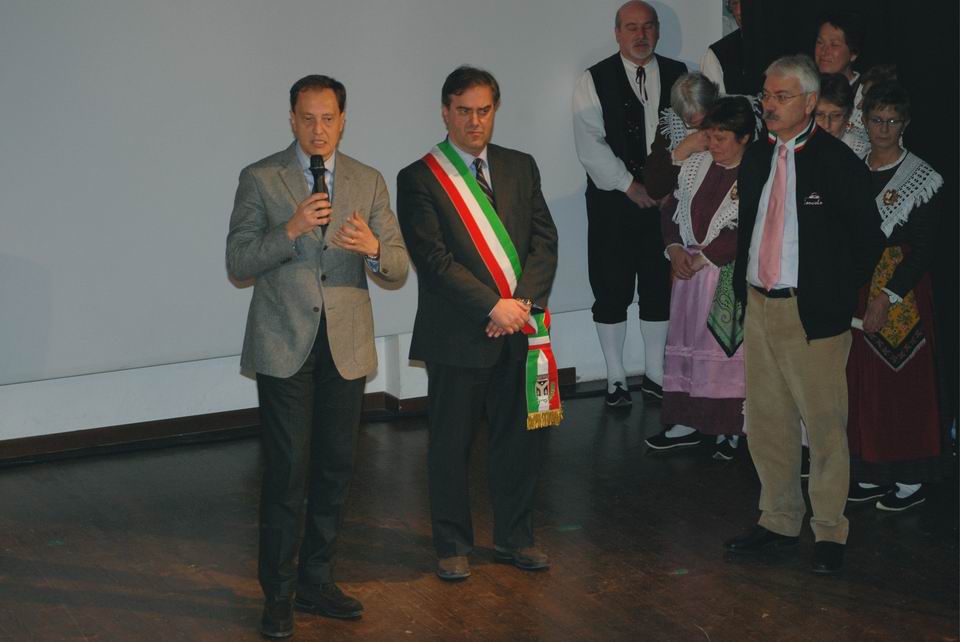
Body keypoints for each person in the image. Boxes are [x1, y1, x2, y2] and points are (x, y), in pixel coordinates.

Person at [226, 74, 408, 638]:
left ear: (343, 120)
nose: (318, 129)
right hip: (284, 343)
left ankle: (317, 580)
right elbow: (238, 261)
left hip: (344, 346)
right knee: (287, 472)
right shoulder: (260, 177)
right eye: (307, 118)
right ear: (291, 119)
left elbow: (398, 265)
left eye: (328, 118)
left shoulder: (367, 180)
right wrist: (291, 228)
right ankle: (278, 594)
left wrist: (373, 249)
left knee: (335, 469)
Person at [397, 66, 560, 582]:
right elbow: (434, 260)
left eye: (483, 110)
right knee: (451, 445)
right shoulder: (419, 177)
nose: (474, 121)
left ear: (495, 110)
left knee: (520, 442)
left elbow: (544, 241)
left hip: (518, 328)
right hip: (458, 333)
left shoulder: (520, 166)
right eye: (464, 111)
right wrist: (493, 307)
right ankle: (451, 544)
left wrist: (519, 305)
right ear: (445, 112)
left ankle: (516, 538)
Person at [723, 55, 882, 575]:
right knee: (767, 423)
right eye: (766, 95)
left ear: (810, 102)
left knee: (825, 426)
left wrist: (830, 295)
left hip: (811, 313)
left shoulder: (837, 163)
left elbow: (868, 242)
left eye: (782, 96)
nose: (769, 105)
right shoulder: (756, 157)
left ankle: (831, 531)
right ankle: (778, 520)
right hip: (760, 304)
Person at [573, 0, 688, 407]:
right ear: (618, 33)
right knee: (611, 288)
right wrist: (629, 186)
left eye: (648, 26)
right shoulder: (594, 79)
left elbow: (690, 133)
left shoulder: (679, 74)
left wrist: (669, 185)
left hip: (665, 203)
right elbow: (589, 141)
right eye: (632, 27)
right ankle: (616, 379)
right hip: (612, 204)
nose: (641, 35)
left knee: (658, 288)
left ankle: (655, 375)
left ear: (657, 31)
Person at [845, 82, 946, 512]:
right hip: (856, 284)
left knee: (903, 382)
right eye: (876, 119)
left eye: (892, 120)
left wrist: (887, 297)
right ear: (864, 121)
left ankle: (910, 478)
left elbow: (923, 249)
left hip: (900, 291)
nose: (883, 128)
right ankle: (872, 471)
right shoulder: (852, 168)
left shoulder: (921, 177)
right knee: (862, 382)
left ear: (904, 124)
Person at [646, 97, 755, 457]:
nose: (713, 145)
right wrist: (675, 247)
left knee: (723, 350)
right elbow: (671, 209)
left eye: (722, 138)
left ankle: (730, 426)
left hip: (724, 277)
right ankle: (687, 420)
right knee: (688, 346)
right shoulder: (697, 165)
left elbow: (749, 226)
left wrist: (706, 257)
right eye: (709, 136)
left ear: (744, 138)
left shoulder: (754, 174)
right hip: (689, 275)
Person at [644, 73, 719, 201]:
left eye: (705, 121)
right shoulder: (671, 126)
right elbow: (654, 189)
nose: (701, 129)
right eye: (692, 124)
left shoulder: (734, 115)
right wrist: (681, 151)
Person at [814, 12, 865, 128]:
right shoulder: (805, 89)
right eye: (820, 42)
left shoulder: (866, 96)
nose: (824, 51)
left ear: (853, 54)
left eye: (834, 45)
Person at [700, 0, 757, 96]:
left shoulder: (781, 43)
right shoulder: (716, 54)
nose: (739, 11)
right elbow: (717, 103)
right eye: (734, 3)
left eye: (745, 2)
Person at [816, 73, 869, 156]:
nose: (826, 125)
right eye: (819, 114)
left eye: (836, 115)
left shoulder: (860, 154)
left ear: (848, 115)